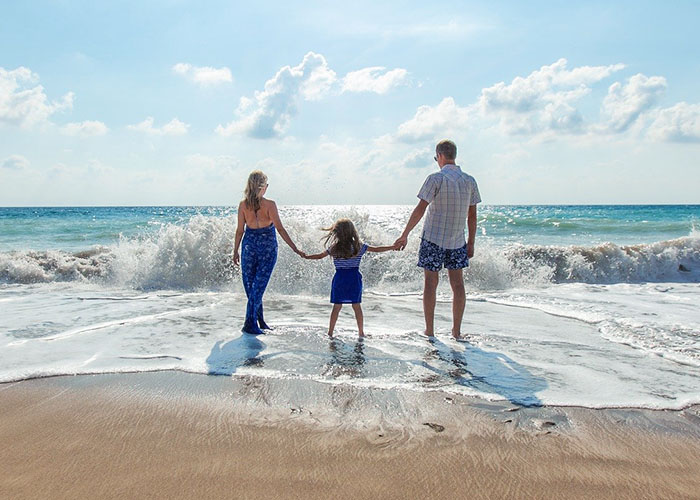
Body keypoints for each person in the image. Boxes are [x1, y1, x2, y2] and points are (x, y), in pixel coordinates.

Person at [393, 139, 481, 339]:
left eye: (436, 158)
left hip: (433, 238)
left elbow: (420, 209)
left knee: (430, 284)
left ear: (440, 156)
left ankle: (430, 331)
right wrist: (472, 242)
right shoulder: (469, 181)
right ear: (454, 155)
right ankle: (456, 332)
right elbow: (472, 216)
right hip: (458, 240)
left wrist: (404, 234)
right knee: (458, 285)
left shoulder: (435, 179)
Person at [233, 170, 304, 335]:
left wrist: (235, 250)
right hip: (266, 248)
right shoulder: (269, 205)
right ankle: (250, 323)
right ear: (263, 187)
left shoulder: (243, 205)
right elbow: (279, 228)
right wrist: (294, 248)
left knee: (254, 287)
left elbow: (239, 231)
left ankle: (260, 321)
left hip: (249, 246)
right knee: (256, 287)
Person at [304, 218, 395, 337]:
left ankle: (330, 332)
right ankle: (361, 332)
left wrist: (306, 256)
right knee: (356, 306)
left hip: (340, 279)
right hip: (354, 279)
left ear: (337, 233)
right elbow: (377, 249)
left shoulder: (334, 248)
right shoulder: (359, 247)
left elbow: (320, 256)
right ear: (352, 232)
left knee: (337, 307)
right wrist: (392, 247)